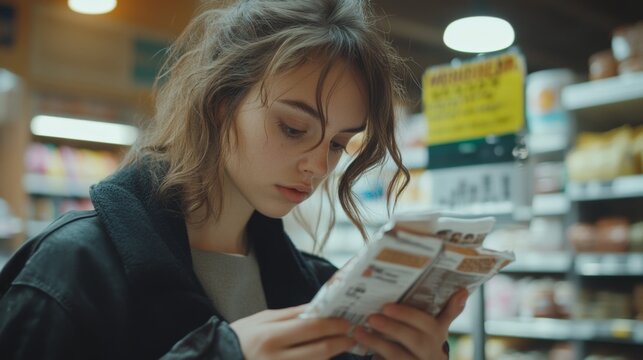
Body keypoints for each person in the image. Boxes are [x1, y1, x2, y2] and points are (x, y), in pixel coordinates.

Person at [0, 0, 468, 358]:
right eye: (293, 128)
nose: (320, 167)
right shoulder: (70, 273)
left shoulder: (314, 290)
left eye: (337, 143)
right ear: (220, 102)